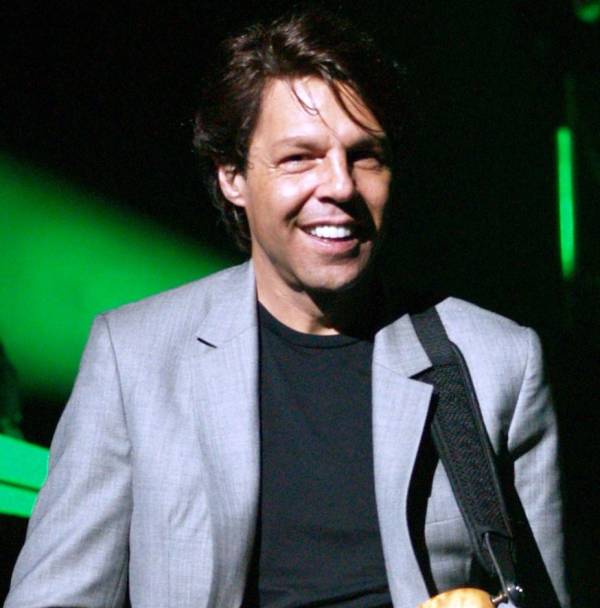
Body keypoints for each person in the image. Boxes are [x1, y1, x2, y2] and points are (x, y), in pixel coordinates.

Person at [5, 9, 569, 608]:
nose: (341, 187)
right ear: (232, 178)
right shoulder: (135, 357)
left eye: (365, 155)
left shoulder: (495, 362)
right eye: (300, 157)